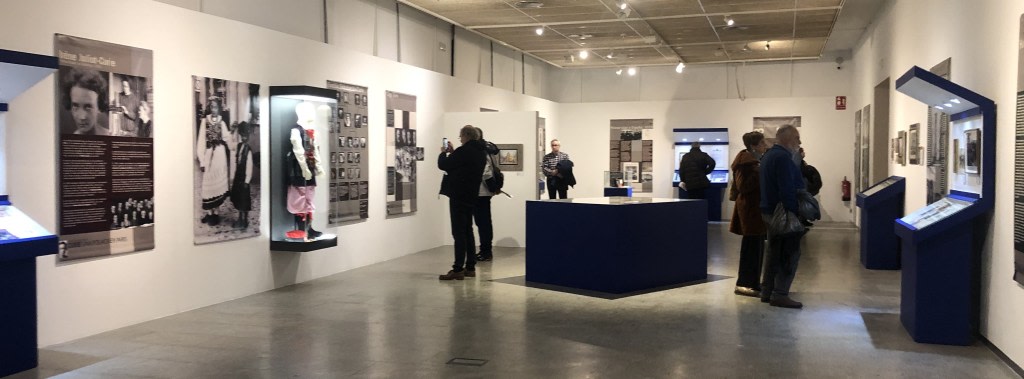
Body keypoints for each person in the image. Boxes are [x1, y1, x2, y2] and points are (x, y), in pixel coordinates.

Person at [759, 125, 806, 309]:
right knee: (790, 253)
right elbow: (787, 188)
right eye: (797, 138)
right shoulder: (782, 158)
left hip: (769, 211)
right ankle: (780, 294)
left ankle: (767, 291)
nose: (799, 142)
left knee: (773, 252)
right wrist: (794, 211)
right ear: (787, 138)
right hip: (782, 213)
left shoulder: (769, 156)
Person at [437, 125, 487, 280]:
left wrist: (443, 153)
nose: (460, 139)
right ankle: (470, 267)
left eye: (460, 136)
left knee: (458, 232)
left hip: (458, 195)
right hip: (471, 195)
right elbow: (461, 164)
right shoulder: (480, 152)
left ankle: (458, 268)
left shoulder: (464, 151)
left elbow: (444, 165)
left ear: (466, 135)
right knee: (468, 230)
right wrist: (453, 152)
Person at [730, 132, 769, 298]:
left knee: (757, 248)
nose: (765, 146)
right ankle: (744, 284)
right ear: (753, 146)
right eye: (762, 143)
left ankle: (752, 282)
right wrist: (759, 172)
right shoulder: (746, 163)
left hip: (755, 211)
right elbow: (743, 186)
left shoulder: (753, 162)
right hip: (750, 211)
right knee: (751, 249)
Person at [286, 102, 324, 240]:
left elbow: (314, 149)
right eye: (310, 111)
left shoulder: (310, 131)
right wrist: (304, 168)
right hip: (298, 169)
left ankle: (309, 228)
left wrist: (319, 167)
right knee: (299, 196)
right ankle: (301, 229)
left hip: (309, 167)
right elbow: (298, 151)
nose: (313, 114)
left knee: (309, 196)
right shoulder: (296, 130)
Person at [196, 97, 232, 226]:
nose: (214, 109)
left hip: (220, 156)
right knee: (208, 184)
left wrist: (232, 139)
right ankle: (209, 213)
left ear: (219, 108)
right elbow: (201, 142)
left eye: (216, 107)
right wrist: (202, 161)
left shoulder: (222, 122)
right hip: (209, 154)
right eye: (212, 107)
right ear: (209, 108)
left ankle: (215, 213)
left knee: (217, 184)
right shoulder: (204, 122)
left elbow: (227, 138)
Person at [474, 127, 500, 262]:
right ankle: (485, 250)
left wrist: (491, 187)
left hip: (480, 192)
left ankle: (485, 251)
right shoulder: (488, 148)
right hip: (485, 192)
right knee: (484, 223)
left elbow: (486, 171)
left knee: (482, 223)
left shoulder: (480, 150)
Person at [59, 67, 109, 135]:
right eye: (75, 106)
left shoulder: (111, 135)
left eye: (88, 107)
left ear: (99, 107)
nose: (82, 117)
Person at [231, 121, 254, 229]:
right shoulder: (239, 146)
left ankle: (244, 221)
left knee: (244, 201)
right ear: (240, 135)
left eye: (246, 135)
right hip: (238, 178)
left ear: (248, 136)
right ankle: (240, 219)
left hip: (244, 180)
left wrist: (247, 181)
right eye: (242, 135)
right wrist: (233, 131)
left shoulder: (248, 150)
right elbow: (230, 145)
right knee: (238, 200)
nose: (244, 137)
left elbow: (249, 167)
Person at [799, 147, 822, 227]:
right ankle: (802, 221)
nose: (804, 153)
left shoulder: (802, 164)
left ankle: (803, 220)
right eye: (802, 152)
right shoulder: (799, 164)